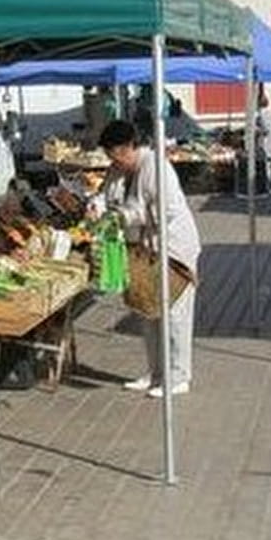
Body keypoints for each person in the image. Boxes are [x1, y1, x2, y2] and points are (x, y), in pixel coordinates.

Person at [99, 119, 200, 397]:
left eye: (117, 154)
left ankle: (179, 375)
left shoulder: (157, 167)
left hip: (172, 249)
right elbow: (106, 197)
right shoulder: (117, 171)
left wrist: (126, 215)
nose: (114, 161)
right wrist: (98, 209)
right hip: (144, 251)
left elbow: (165, 210)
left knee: (174, 313)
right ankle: (156, 372)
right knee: (148, 311)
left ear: (130, 147)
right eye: (110, 156)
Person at [255, 87, 271, 193]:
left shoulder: (261, 114)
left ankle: (266, 186)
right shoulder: (270, 113)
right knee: (269, 165)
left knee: (265, 166)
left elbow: (264, 130)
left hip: (265, 144)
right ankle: (269, 184)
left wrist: (256, 130)